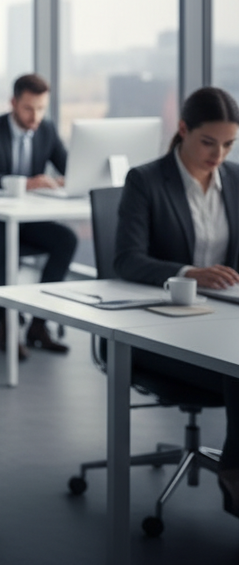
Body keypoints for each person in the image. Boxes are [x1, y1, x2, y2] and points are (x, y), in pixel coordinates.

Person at [114, 86, 239, 519]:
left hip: (224, 319)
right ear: (183, 130)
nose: (218, 154)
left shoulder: (237, 181)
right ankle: (235, 471)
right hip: (162, 330)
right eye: (208, 141)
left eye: (228, 144)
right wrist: (189, 272)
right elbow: (127, 260)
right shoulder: (146, 180)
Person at [0, 74, 77, 359]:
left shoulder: (47, 130)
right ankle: (7, 324)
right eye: (29, 108)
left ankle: (38, 325)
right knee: (5, 239)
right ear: (14, 103)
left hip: (25, 221)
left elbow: (70, 168)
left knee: (66, 240)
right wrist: (26, 183)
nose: (35, 116)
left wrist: (69, 179)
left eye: (41, 109)